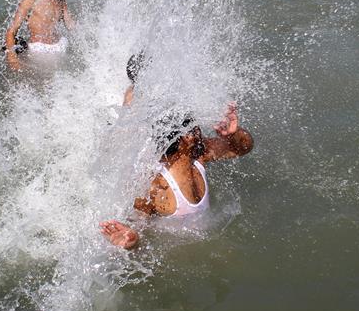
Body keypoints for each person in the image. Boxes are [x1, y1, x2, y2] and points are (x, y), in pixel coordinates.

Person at [100, 105, 254, 249]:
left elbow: (242, 147)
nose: (198, 130)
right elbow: (139, 223)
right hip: (181, 250)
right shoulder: (156, 184)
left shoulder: (199, 155)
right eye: (193, 127)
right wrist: (132, 239)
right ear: (185, 138)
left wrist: (234, 133)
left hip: (206, 246)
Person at [4, 0, 75, 69]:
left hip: (60, 45)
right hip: (40, 49)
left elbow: (71, 26)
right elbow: (11, 31)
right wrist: (12, 58)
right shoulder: (31, 0)